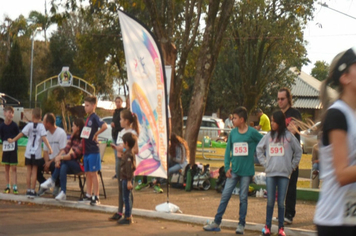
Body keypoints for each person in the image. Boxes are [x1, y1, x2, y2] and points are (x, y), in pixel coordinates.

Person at [314, 47, 356, 235]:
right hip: (334, 223)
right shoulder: (337, 115)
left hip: (350, 217)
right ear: (345, 78)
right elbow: (342, 174)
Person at [203, 107, 263, 234]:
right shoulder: (233, 134)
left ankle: (241, 224)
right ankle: (216, 222)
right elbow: (227, 151)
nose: (232, 120)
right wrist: (226, 167)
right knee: (225, 195)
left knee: (243, 198)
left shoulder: (252, 133)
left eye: (235, 118)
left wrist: (260, 154)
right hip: (233, 171)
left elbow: (264, 142)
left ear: (242, 119)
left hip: (247, 172)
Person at [257, 110, 302, 236]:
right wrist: (265, 164)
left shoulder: (288, 136)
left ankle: (281, 228)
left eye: (273, 121)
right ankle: (267, 227)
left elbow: (298, 151)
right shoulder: (268, 136)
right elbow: (259, 149)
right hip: (271, 174)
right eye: (271, 121)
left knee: (281, 203)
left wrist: (292, 166)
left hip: (284, 175)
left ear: (280, 122)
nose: (271, 123)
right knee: (270, 201)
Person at [8, 108, 52, 198]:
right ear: (40, 117)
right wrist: (50, 148)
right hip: (36, 153)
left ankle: (28, 189)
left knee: (28, 171)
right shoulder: (41, 127)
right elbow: (44, 138)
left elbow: (21, 134)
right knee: (34, 171)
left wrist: (13, 140)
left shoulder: (29, 125)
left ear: (32, 116)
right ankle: (32, 190)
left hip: (28, 152)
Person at [274, 87, 302, 224]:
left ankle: (289, 214)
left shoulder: (295, 113)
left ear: (288, 99)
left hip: (291, 157)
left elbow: (292, 131)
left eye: (282, 99)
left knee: (291, 186)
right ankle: (281, 213)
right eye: (278, 99)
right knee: (281, 186)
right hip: (279, 156)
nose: (280, 101)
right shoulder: (278, 114)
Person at [39, 118, 85, 200]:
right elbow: (66, 149)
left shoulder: (83, 140)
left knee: (65, 162)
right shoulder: (73, 136)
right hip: (70, 164)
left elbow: (74, 155)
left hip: (80, 166)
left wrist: (60, 158)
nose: (72, 128)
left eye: (73, 126)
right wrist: (58, 158)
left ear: (78, 127)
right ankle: (63, 192)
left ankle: (52, 180)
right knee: (63, 166)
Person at [109, 109, 139, 221]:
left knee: (128, 187)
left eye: (121, 119)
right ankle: (120, 211)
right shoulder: (121, 132)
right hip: (120, 162)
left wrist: (123, 148)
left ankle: (129, 213)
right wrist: (118, 149)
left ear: (126, 121)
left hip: (127, 163)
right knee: (121, 188)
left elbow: (135, 149)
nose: (119, 121)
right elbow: (119, 148)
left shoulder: (133, 133)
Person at [82, 96, 107, 205]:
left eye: (87, 105)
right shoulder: (88, 118)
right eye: (85, 105)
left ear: (93, 106)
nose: (85, 108)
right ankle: (88, 194)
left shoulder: (95, 117)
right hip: (86, 150)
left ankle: (96, 196)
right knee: (87, 173)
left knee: (93, 173)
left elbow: (104, 126)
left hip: (93, 150)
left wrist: (96, 134)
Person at [37, 113, 67, 196]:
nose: (42, 124)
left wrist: (50, 162)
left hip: (57, 159)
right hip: (49, 159)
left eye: (44, 122)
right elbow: (45, 151)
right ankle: (44, 184)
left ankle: (57, 185)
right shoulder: (46, 134)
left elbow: (62, 151)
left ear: (48, 124)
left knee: (55, 165)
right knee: (36, 164)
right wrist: (46, 162)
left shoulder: (61, 133)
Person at [117, 132, 137, 225]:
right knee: (126, 197)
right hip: (125, 178)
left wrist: (129, 180)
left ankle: (128, 217)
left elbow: (129, 168)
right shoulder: (128, 152)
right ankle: (127, 216)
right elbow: (124, 150)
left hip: (126, 178)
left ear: (127, 143)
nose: (123, 144)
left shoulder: (128, 155)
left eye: (123, 142)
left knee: (126, 198)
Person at [0, 106, 20, 194]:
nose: (10, 114)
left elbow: (17, 135)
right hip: (6, 149)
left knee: (14, 168)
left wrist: (12, 139)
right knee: (6, 167)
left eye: (12, 113)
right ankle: (8, 185)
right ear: (5, 113)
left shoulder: (14, 125)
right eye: (9, 112)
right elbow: (1, 136)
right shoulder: (2, 126)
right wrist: (5, 139)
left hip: (13, 149)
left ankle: (15, 186)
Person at [111, 96, 125, 179]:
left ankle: (121, 173)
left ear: (121, 102)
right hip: (114, 135)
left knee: (120, 155)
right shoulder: (115, 112)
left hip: (120, 136)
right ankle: (117, 173)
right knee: (116, 156)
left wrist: (116, 125)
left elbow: (122, 125)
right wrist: (112, 124)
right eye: (116, 102)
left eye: (119, 102)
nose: (117, 103)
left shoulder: (123, 111)